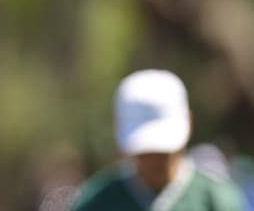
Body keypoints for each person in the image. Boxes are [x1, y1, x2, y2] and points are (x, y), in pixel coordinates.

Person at [70, 69, 247, 210]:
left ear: (189, 122)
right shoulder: (95, 203)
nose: (154, 160)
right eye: (144, 152)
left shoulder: (219, 202)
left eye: (163, 151)